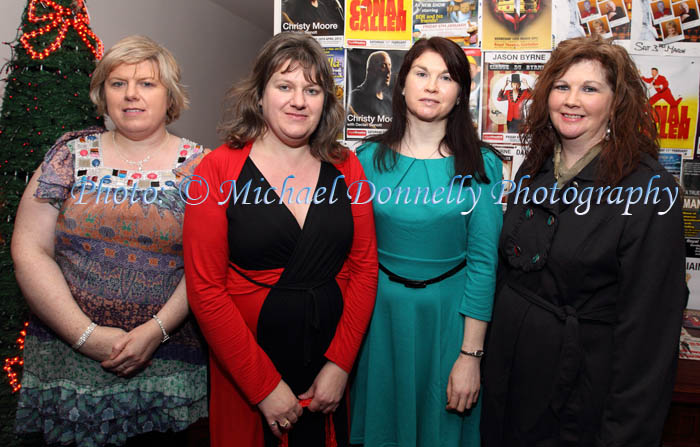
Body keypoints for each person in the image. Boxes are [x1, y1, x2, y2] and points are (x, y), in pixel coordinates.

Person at [481, 34, 687, 446]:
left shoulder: (649, 190)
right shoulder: (533, 169)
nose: (571, 100)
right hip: (510, 384)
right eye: (562, 87)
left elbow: (649, 335)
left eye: (589, 88)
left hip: (579, 396)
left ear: (616, 102)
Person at [11, 35, 208, 446]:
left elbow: (207, 264)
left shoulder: (204, 167)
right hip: (66, 368)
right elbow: (31, 250)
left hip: (165, 368)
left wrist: (155, 332)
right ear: (102, 93)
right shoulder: (69, 155)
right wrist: (86, 336)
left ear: (169, 94)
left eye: (147, 84)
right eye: (117, 83)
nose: (131, 95)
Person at [182, 33, 377, 447]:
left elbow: (364, 268)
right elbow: (205, 290)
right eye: (284, 86)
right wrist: (263, 387)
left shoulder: (347, 167)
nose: (299, 101)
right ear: (259, 94)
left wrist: (340, 365)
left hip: (330, 364)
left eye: (312, 89)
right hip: (247, 366)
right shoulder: (216, 170)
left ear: (326, 100)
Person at [350, 36, 503, 447]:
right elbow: (351, 256)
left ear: (459, 95)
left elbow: (484, 264)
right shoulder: (365, 159)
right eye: (421, 74)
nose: (432, 86)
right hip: (377, 321)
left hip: (449, 322)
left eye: (446, 77)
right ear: (401, 85)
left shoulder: (482, 164)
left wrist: (470, 356)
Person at [349, 51, 393, 118]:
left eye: (389, 66)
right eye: (383, 66)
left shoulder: (389, 102)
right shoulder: (354, 97)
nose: (389, 72)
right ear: (370, 69)